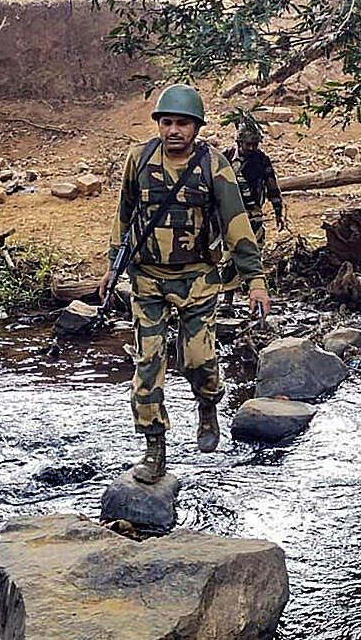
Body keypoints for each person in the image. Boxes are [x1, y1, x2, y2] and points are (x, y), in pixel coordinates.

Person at [98, 84, 271, 484]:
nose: (173, 130)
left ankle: (208, 404)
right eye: (167, 122)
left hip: (198, 280)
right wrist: (112, 266)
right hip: (148, 279)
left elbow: (236, 223)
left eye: (182, 123)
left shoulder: (213, 164)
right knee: (148, 364)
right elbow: (124, 215)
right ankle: (154, 448)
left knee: (198, 360)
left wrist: (255, 282)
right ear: (159, 124)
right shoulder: (139, 159)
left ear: (196, 127)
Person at [220, 120, 286, 309]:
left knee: (254, 252)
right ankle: (228, 298)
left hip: (253, 212)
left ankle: (256, 295)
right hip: (230, 213)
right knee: (229, 256)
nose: (251, 148)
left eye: (255, 144)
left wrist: (278, 211)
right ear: (239, 142)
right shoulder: (225, 158)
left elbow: (271, 185)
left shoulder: (261, 160)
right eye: (248, 144)